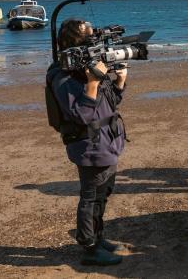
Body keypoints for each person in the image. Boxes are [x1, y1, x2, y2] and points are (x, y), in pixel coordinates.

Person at [47, 19, 128, 266]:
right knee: (91, 196)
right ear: (75, 41)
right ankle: (89, 247)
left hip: (107, 141)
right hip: (89, 145)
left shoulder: (87, 67)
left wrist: (120, 80)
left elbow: (112, 101)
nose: (92, 41)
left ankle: (98, 236)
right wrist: (92, 82)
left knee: (103, 193)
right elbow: (81, 115)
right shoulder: (62, 75)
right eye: (87, 36)